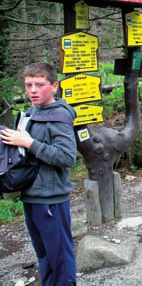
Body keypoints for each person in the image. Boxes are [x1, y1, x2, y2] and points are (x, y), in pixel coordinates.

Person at [0, 63, 77, 285]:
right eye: (28, 85)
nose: (33, 90)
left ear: (54, 86)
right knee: (44, 255)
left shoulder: (60, 116)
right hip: (31, 195)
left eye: (39, 85)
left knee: (60, 257)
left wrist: (29, 143)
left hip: (51, 198)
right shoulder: (32, 113)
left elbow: (66, 157)